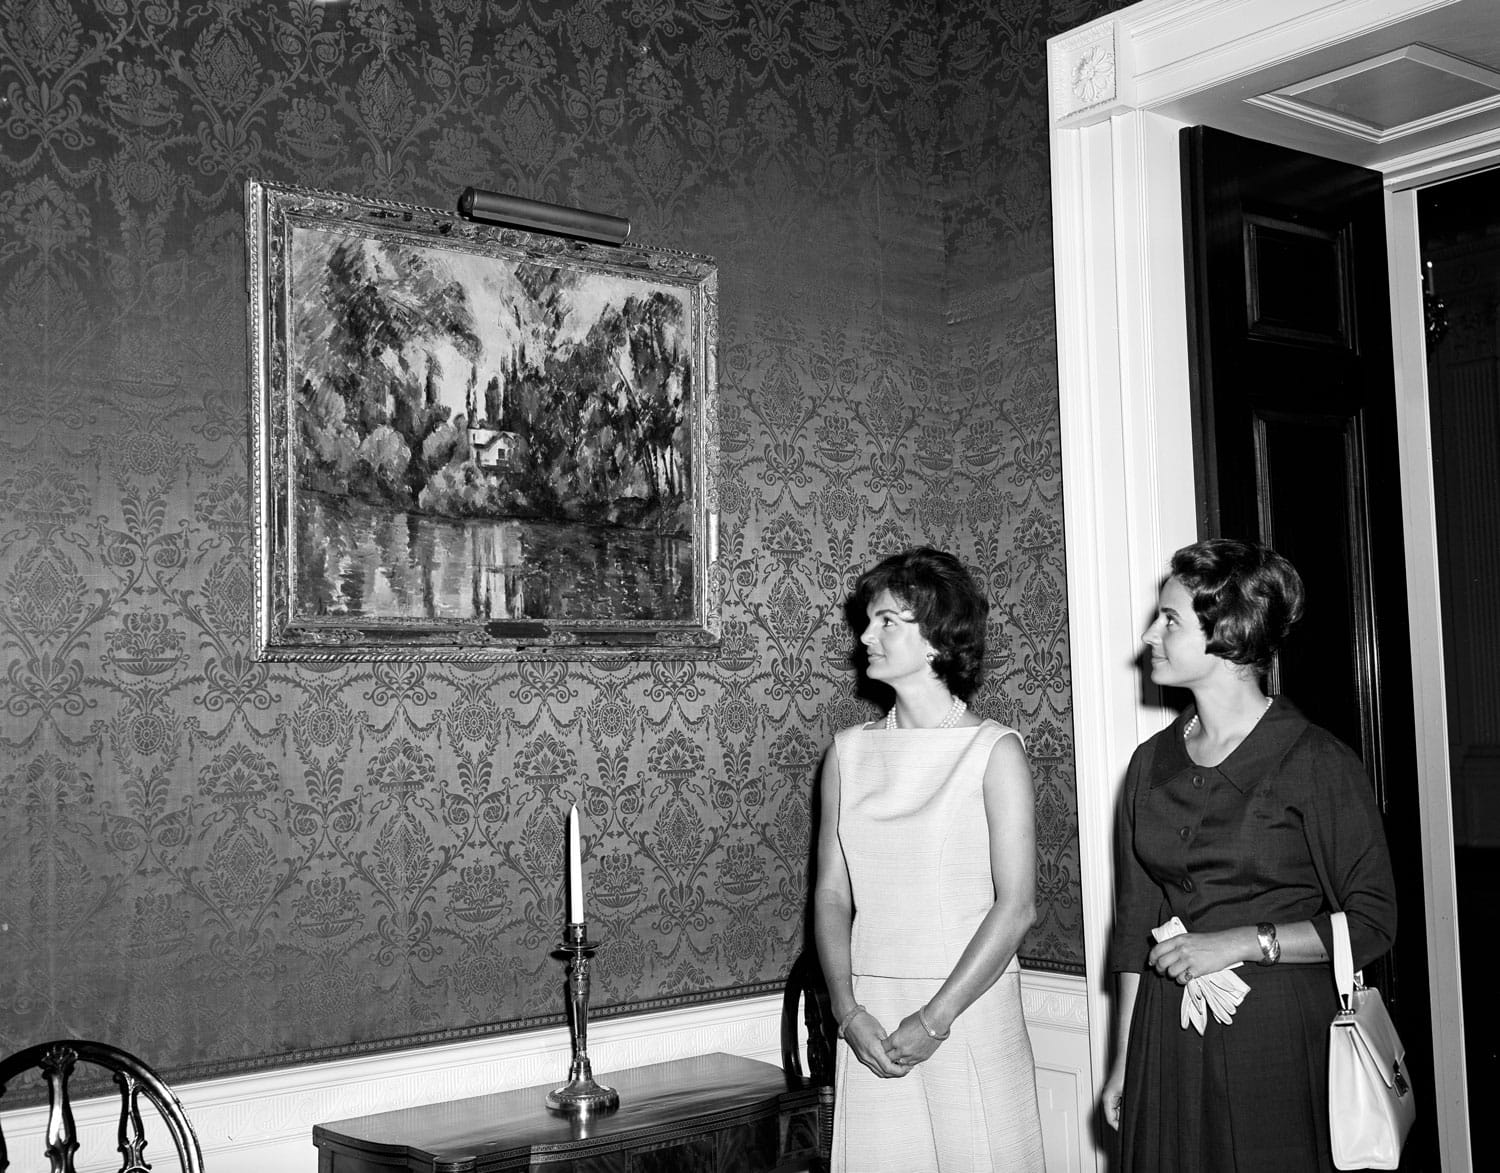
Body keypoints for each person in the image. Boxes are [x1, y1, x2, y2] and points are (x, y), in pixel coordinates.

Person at [1101, 538, 1398, 1171]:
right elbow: (1134, 926)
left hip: (1278, 1040)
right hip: (1166, 1038)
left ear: (1228, 634)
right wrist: (1124, 1059)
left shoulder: (1315, 762)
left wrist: (1240, 941)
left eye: (1170, 619)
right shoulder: (1150, 763)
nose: (1150, 635)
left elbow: (1373, 923)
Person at [813, 546, 1045, 1172]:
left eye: (887, 621)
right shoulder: (847, 754)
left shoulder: (993, 752)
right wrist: (846, 1011)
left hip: (964, 1010)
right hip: (871, 1023)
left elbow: (1017, 906)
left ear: (939, 637)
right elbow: (832, 895)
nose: (866, 635)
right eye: (869, 620)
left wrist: (934, 1020)